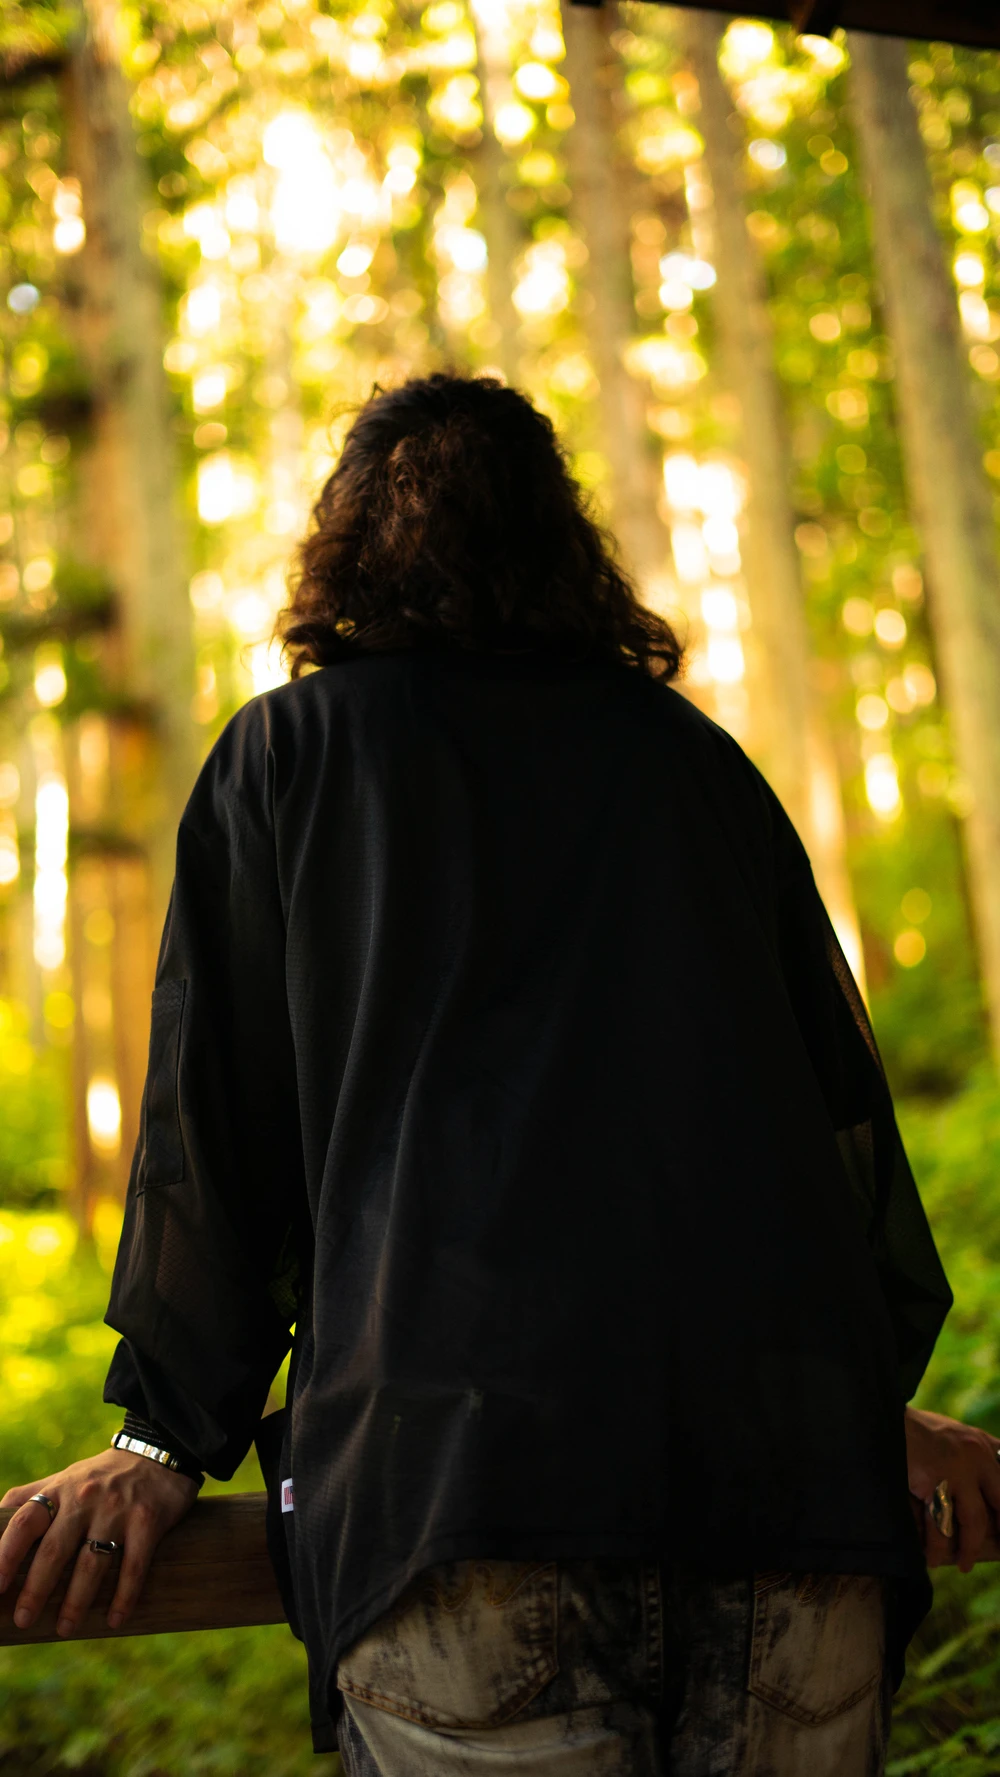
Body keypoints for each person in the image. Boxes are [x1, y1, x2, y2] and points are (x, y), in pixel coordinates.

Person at [0, 373, 994, 1775]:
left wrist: (164, 1437)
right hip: (793, 1521)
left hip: (456, 1504)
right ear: (564, 540)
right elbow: (832, 1134)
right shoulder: (699, 770)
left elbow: (216, 1142)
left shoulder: (288, 760)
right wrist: (850, 1402)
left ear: (344, 545)